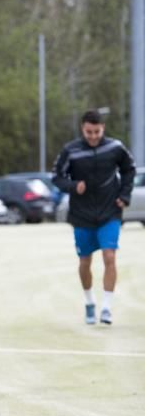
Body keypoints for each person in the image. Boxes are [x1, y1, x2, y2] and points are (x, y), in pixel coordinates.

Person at [52, 109, 135, 325]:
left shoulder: (115, 148)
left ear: (103, 128)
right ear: (83, 129)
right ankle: (89, 302)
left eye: (97, 132)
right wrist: (72, 186)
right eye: (89, 132)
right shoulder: (71, 150)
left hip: (110, 211)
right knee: (85, 261)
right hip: (82, 214)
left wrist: (124, 196)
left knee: (110, 257)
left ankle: (107, 308)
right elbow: (57, 177)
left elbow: (129, 169)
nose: (93, 136)